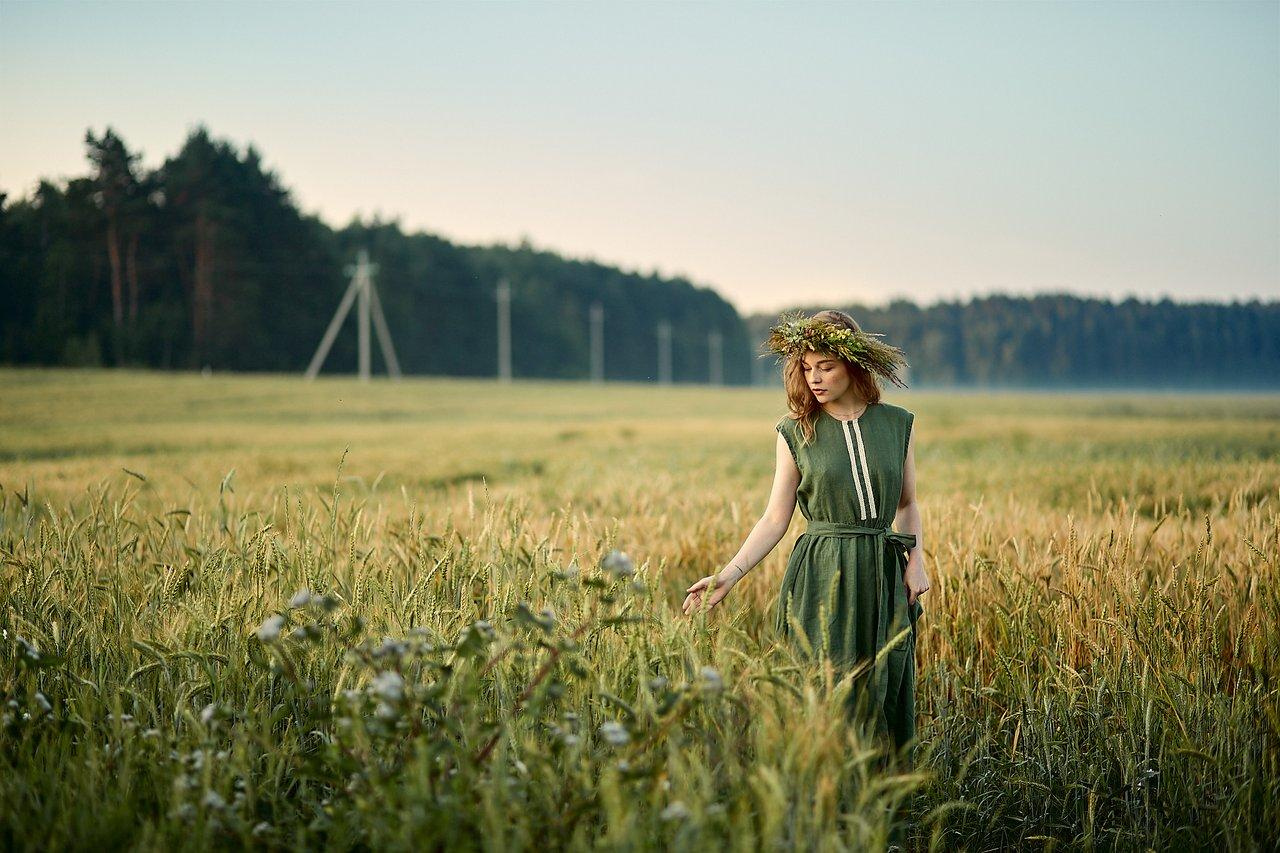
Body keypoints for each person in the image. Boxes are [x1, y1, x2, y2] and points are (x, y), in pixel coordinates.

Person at [681, 308, 930, 757]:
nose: (814, 378)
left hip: (883, 570)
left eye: (826, 367)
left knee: (884, 683)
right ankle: (821, 792)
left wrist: (917, 559)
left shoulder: (898, 425)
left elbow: (907, 504)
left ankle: (884, 803)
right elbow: (775, 518)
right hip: (822, 574)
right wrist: (728, 575)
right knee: (823, 684)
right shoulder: (796, 431)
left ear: (853, 365)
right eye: (806, 368)